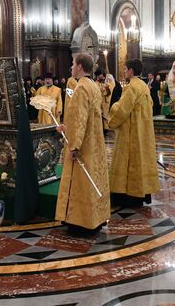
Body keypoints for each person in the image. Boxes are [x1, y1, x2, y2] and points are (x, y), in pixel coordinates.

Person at [55, 53, 110, 236]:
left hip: (83, 146)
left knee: (81, 183)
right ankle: (95, 219)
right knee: (92, 180)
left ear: (79, 66)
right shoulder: (93, 86)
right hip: (95, 142)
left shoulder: (80, 88)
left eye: (72, 64)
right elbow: (86, 117)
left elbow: (79, 120)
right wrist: (65, 126)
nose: (71, 67)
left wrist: (74, 146)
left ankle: (80, 222)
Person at [108, 59, 159, 207]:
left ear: (131, 70)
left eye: (125, 69)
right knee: (140, 162)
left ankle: (128, 196)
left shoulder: (132, 87)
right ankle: (141, 194)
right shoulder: (143, 86)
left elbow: (122, 110)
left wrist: (113, 108)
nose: (124, 71)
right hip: (143, 132)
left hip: (131, 133)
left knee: (129, 162)